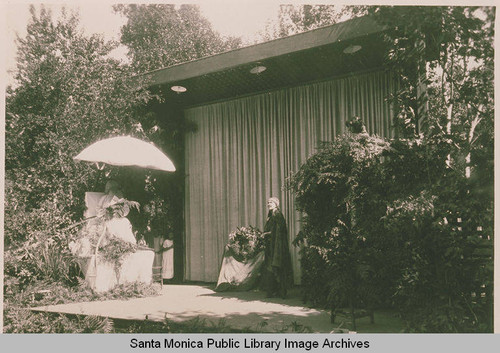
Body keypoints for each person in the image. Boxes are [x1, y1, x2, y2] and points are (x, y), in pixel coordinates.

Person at [262, 197, 293, 298]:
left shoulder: (277, 214)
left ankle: (281, 291)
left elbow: (278, 231)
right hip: (272, 245)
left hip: (277, 246)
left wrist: (266, 234)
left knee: (277, 266)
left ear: (276, 204)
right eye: (268, 202)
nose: (269, 204)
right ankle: (273, 290)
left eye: (271, 202)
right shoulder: (271, 215)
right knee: (271, 267)